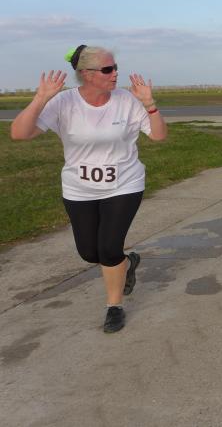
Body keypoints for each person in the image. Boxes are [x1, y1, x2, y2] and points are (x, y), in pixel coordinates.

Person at [10, 45, 167, 332]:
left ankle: (114, 306)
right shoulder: (64, 102)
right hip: (79, 188)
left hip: (124, 184)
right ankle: (127, 263)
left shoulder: (126, 100)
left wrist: (150, 104)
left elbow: (158, 136)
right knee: (89, 253)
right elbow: (19, 133)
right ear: (86, 74)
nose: (115, 73)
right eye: (108, 69)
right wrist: (41, 98)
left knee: (108, 248)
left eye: (115, 67)